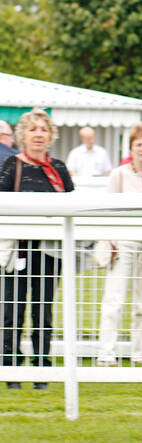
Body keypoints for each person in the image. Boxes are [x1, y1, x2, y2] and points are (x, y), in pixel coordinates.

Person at [0, 109, 74, 389]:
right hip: (16, 251)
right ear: (23, 135)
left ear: (50, 135)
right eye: (33, 130)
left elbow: (70, 204)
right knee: (11, 311)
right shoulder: (11, 166)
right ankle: (10, 371)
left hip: (48, 251)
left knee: (43, 310)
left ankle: (42, 370)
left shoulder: (59, 169)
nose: (38, 135)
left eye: (43, 129)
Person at [96, 122, 142, 367]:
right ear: (131, 147)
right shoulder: (119, 174)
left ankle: (138, 353)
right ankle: (106, 354)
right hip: (122, 244)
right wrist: (110, 240)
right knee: (113, 300)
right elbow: (107, 209)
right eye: (138, 144)